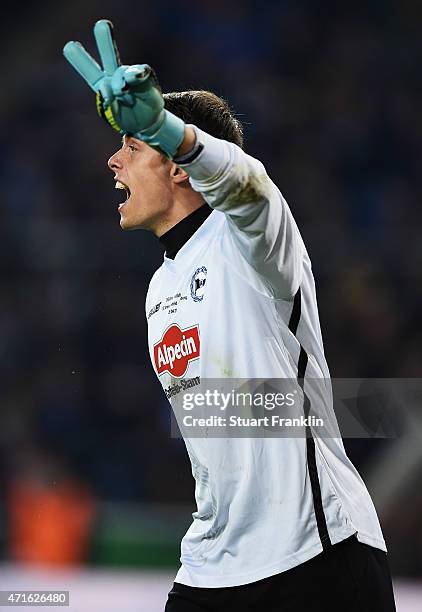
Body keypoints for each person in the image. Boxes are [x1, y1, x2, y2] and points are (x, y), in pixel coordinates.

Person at [64, 21, 397, 612]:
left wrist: (165, 129)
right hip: (214, 566)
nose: (113, 161)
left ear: (179, 168)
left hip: (315, 555)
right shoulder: (159, 287)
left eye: (133, 147)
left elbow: (247, 184)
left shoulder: (251, 238)